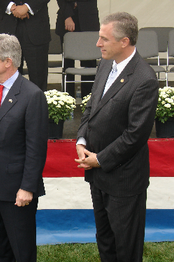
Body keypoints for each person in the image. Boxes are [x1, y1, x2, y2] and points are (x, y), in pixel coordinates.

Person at [75, 12, 158, 262]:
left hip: (124, 181)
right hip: (98, 175)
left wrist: (99, 159)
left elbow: (135, 135)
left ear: (125, 42)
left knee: (126, 247)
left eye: (104, 39)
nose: (98, 44)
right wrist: (81, 140)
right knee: (106, 241)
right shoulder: (104, 65)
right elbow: (91, 108)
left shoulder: (144, 79)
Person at [0, 34, 48, 262]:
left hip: (17, 191)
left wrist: (27, 187)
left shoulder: (32, 95)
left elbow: (36, 149)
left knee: (21, 250)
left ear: (8, 62)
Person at [0, 0, 51, 91]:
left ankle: (37, 104)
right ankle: (11, 105)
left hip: (36, 28)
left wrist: (27, 7)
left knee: (38, 78)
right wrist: (11, 7)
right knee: (8, 77)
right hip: (7, 27)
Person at [55, 0, 99, 98]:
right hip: (66, 19)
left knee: (89, 63)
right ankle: (68, 100)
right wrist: (67, 16)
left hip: (89, 19)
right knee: (68, 63)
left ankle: (88, 101)